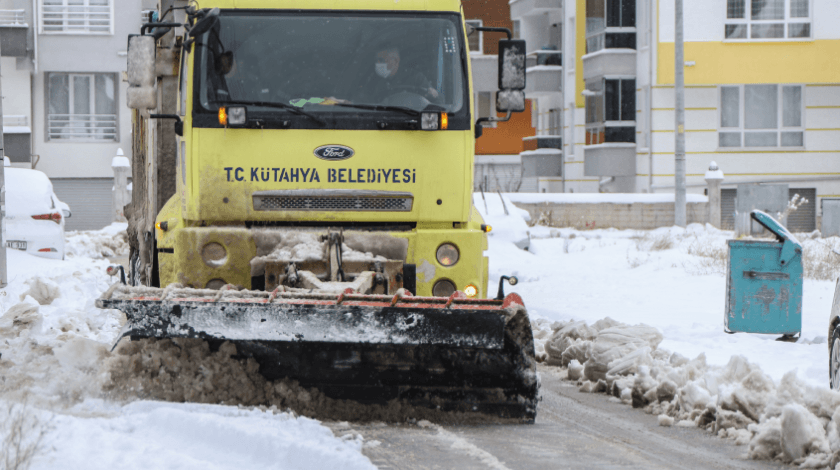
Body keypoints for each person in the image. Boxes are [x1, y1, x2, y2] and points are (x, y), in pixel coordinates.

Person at [355, 46, 439, 103]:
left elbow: (435, 100)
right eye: (376, 60)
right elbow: (362, 100)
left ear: (395, 61)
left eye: (381, 60)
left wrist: (433, 95)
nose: (377, 63)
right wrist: (351, 103)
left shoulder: (416, 78)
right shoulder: (374, 80)